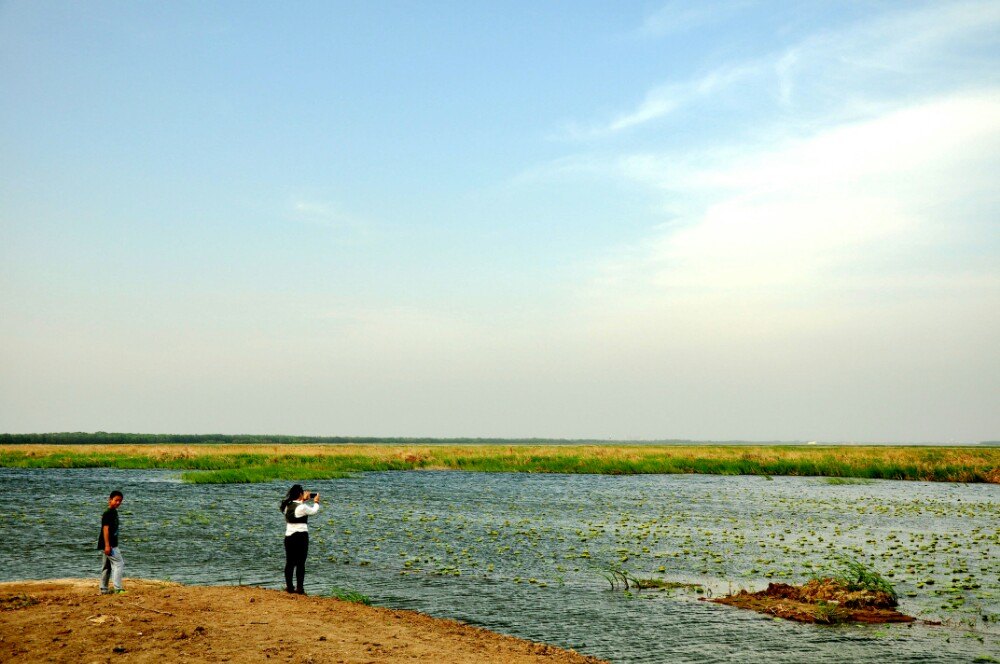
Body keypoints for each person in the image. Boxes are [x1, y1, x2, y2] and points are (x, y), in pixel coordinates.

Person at [280, 484, 320, 594]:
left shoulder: (287, 506)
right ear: (300, 494)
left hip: (289, 536)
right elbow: (313, 511)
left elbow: (298, 509)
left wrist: (303, 500)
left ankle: (289, 587)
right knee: (300, 563)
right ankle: (300, 588)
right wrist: (316, 501)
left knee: (289, 562)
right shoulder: (302, 507)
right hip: (301, 536)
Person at [98, 490, 125, 594]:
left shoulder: (114, 512)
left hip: (110, 544)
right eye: (116, 500)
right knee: (119, 564)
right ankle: (118, 588)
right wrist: (107, 545)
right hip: (110, 545)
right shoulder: (107, 513)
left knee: (107, 566)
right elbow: (105, 529)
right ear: (110, 500)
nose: (118, 503)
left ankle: (103, 589)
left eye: (120, 501)